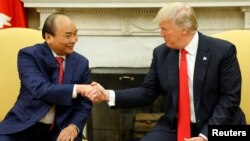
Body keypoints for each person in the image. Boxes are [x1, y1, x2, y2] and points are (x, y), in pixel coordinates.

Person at [85, 2, 246, 141]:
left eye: (164, 28)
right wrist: (108, 95)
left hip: (223, 125)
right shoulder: (161, 53)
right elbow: (147, 93)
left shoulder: (223, 51)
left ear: (184, 29)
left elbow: (229, 99)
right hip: (175, 126)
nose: (161, 33)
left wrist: (204, 136)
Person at [0, 13, 94, 141]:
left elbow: (84, 103)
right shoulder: (29, 55)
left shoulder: (81, 62)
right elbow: (40, 89)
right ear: (48, 37)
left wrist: (74, 127)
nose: (74, 39)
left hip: (60, 130)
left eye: (75, 34)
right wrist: (78, 88)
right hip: (24, 126)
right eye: (68, 35)